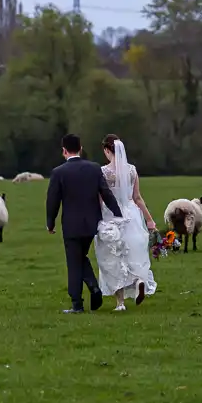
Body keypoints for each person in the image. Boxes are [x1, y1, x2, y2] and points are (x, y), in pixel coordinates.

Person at [46, 134, 123, 314]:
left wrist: (50, 222)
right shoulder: (94, 168)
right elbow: (106, 193)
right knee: (81, 257)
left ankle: (77, 304)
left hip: (71, 225)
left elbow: (52, 200)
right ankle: (93, 287)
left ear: (64, 151)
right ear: (80, 148)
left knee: (74, 262)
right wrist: (118, 214)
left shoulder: (59, 172)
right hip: (91, 223)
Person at [94, 134, 158, 311]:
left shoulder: (104, 172)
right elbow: (137, 197)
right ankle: (138, 281)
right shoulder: (132, 170)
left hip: (110, 216)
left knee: (112, 258)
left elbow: (100, 199)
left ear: (107, 150)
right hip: (131, 214)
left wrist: (95, 218)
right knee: (131, 254)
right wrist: (149, 220)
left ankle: (120, 303)